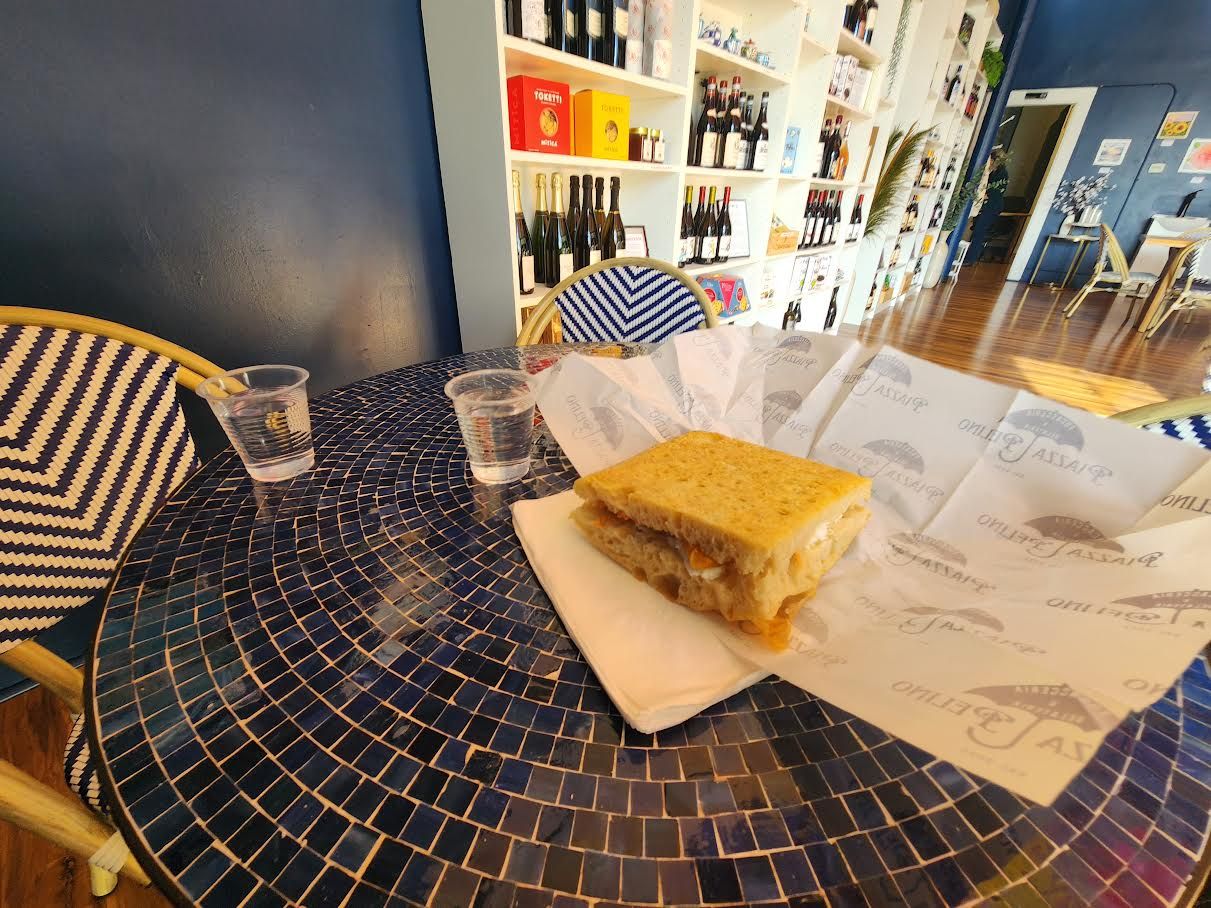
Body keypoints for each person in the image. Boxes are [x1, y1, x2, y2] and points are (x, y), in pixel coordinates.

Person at [966, 150, 1010, 263]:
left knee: (979, 231)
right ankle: (969, 257)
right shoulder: (991, 172)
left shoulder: (1001, 173)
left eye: (990, 160)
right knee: (977, 230)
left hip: (993, 206)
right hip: (986, 205)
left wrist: (983, 194)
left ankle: (971, 259)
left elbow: (993, 193)